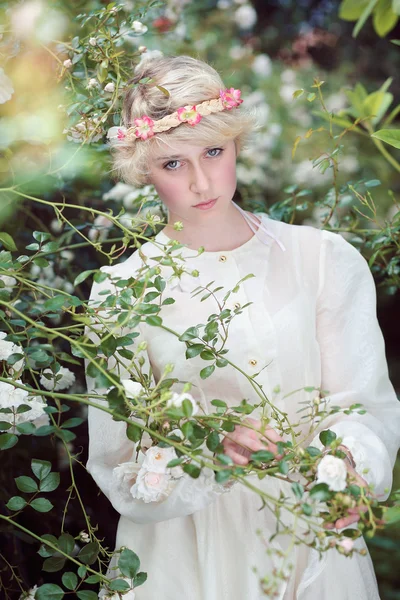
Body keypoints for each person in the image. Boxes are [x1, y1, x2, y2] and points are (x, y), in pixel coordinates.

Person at [85, 55, 400, 599]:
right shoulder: (121, 294)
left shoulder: (322, 260)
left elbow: (359, 403)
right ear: (143, 170)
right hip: (182, 557)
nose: (202, 181)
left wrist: (346, 470)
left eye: (213, 152)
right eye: (173, 164)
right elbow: (117, 460)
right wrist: (205, 451)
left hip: (307, 533)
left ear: (235, 144)